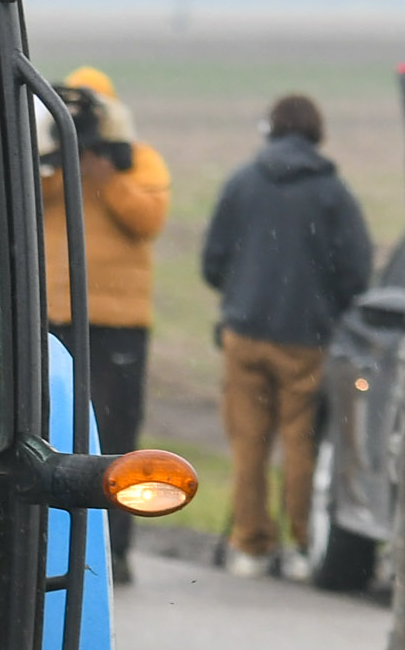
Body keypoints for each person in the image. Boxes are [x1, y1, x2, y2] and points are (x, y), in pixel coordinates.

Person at [202, 93, 372, 580]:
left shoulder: (242, 182)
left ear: (270, 130)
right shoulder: (332, 193)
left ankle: (251, 548)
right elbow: (356, 271)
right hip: (306, 340)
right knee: (301, 444)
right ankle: (301, 547)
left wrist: (241, 295)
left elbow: (212, 261)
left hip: (243, 334)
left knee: (248, 443)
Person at [39, 66, 172, 583]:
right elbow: (25, 195)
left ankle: (115, 550)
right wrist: (62, 163)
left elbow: (149, 220)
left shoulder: (137, 163)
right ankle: (57, 542)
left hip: (119, 322)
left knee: (117, 435)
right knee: (57, 432)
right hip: (58, 316)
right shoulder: (49, 167)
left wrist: (104, 176)